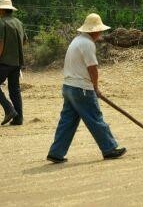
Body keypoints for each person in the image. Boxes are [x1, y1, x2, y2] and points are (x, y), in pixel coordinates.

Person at [46, 13, 126, 163]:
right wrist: (95, 88)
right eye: (100, 31)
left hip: (68, 87)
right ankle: (109, 149)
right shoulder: (88, 44)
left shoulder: (77, 40)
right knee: (95, 118)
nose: (101, 34)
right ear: (94, 31)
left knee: (67, 121)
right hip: (81, 89)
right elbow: (93, 69)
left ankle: (56, 153)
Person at [0, 0, 26, 126]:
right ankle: (18, 118)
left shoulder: (1, 23)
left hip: (5, 62)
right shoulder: (18, 22)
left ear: (2, 10)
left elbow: (0, 44)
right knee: (14, 89)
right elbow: (24, 41)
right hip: (17, 62)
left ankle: (9, 110)